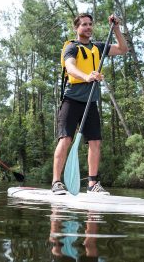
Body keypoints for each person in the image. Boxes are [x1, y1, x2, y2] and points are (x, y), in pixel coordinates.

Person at [52, 14, 128, 195]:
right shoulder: (71, 47)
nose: (88, 27)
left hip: (91, 102)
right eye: (84, 24)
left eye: (90, 24)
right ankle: (56, 182)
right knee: (66, 140)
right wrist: (87, 77)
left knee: (95, 142)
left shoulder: (98, 47)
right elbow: (70, 67)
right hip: (72, 100)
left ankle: (92, 184)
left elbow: (123, 49)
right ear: (76, 28)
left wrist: (116, 28)